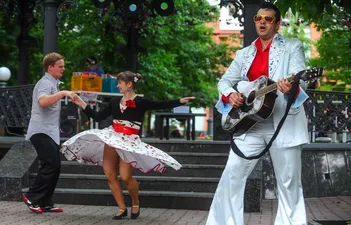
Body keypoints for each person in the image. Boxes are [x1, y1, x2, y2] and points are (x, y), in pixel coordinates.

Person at [207, 2, 309, 225]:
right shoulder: (244, 53)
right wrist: (231, 94)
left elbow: (301, 75)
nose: (262, 22)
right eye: (258, 18)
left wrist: (291, 85)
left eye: (269, 19)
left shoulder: (293, 46)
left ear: (278, 24)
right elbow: (224, 81)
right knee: (231, 175)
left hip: (283, 122)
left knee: (289, 182)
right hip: (250, 124)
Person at [61, 71, 195, 220]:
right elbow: (98, 117)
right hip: (112, 138)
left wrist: (180, 101)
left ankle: (135, 202)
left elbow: (161, 104)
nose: (117, 86)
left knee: (125, 176)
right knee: (110, 174)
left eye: (120, 83)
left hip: (129, 142)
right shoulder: (114, 102)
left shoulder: (141, 102)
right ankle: (122, 208)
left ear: (129, 84)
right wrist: (81, 103)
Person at [23, 52, 80, 214]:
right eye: (60, 66)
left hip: (49, 132)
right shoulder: (45, 83)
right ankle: (32, 197)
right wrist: (63, 93)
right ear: (51, 67)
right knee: (51, 165)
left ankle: (45, 202)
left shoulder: (52, 83)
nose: (63, 69)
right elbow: (43, 102)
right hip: (41, 132)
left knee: (55, 166)